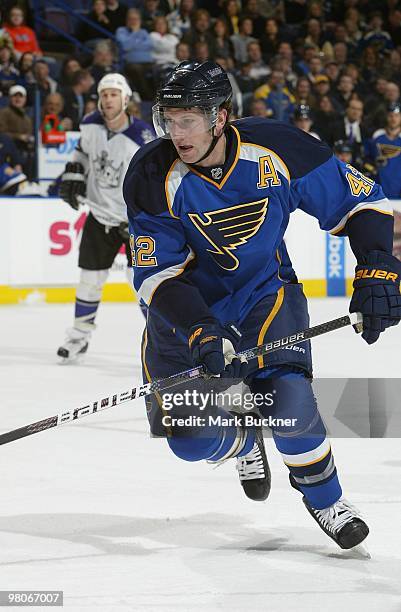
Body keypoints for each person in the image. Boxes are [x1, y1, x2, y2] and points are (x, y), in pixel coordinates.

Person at [123, 61, 401, 550]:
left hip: (262, 296)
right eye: (168, 118)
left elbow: (361, 202)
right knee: (192, 443)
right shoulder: (151, 173)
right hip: (185, 315)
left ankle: (326, 499)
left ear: (220, 117)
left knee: (289, 403)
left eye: (188, 119)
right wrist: (201, 330)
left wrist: (376, 265)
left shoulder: (281, 148)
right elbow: (157, 274)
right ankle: (243, 439)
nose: (176, 132)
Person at [57, 73, 155, 361]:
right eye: (103, 94)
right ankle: (78, 337)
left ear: (125, 99)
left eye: (113, 94)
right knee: (90, 279)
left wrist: (143, 217)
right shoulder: (89, 124)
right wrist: (74, 171)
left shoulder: (143, 136)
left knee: (142, 282)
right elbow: (81, 153)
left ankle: (160, 339)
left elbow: (153, 180)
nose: (107, 99)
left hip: (133, 221)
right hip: (99, 216)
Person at [366, 102, 401, 199]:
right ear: (386, 117)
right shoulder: (376, 136)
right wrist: (372, 170)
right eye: (390, 116)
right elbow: (367, 160)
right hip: (378, 190)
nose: (393, 119)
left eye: (397, 116)